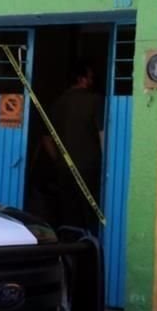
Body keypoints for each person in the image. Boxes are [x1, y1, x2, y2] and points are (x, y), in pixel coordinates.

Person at [42, 60, 104, 232]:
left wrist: (59, 160)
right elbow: (102, 134)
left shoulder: (57, 103)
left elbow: (46, 139)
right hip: (89, 167)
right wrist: (107, 162)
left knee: (69, 212)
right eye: (90, 77)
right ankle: (92, 249)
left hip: (64, 169)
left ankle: (70, 250)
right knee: (91, 212)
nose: (92, 81)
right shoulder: (95, 100)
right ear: (82, 79)